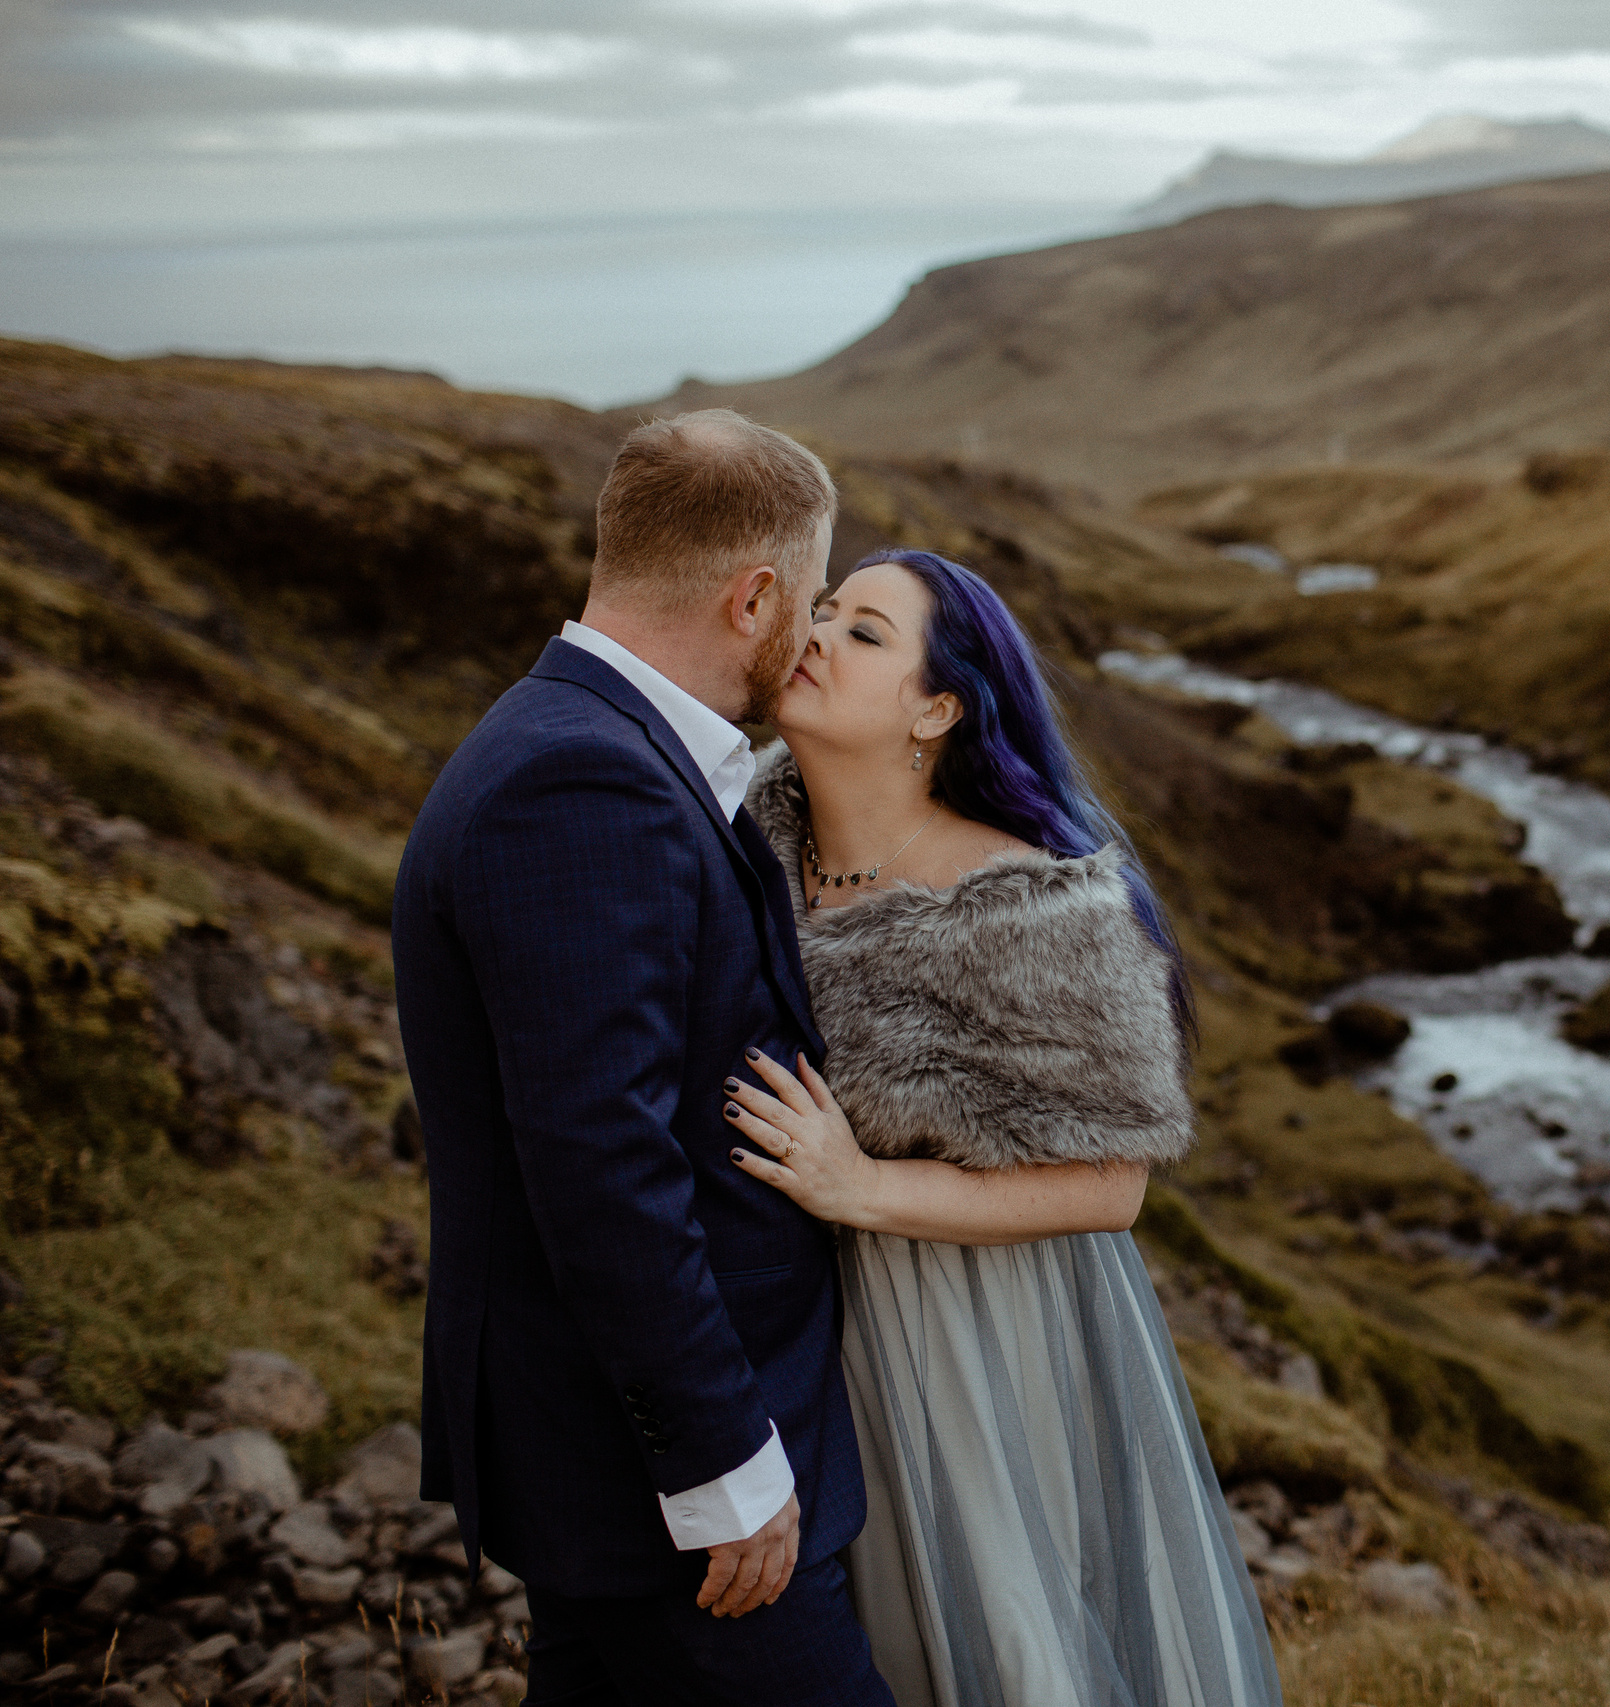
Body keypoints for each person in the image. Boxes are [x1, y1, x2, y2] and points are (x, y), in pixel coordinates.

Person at [714, 547, 1284, 1707]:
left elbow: (1110, 1186)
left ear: (938, 707)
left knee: (1001, 1639)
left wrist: (860, 1189)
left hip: (976, 1329)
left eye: (865, 633)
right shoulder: (743, 837)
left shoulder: (1033, 902)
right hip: (797, 1322)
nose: (815, 634)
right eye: (823, 610)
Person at [392, 410, 896, 1706]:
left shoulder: (599, 743)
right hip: (663, 1479)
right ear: (753, 596)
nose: (816, 628)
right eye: (813, 596)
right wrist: (725, 1463)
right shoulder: (581, 780)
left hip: (628, 1448)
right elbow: (599, 1156)